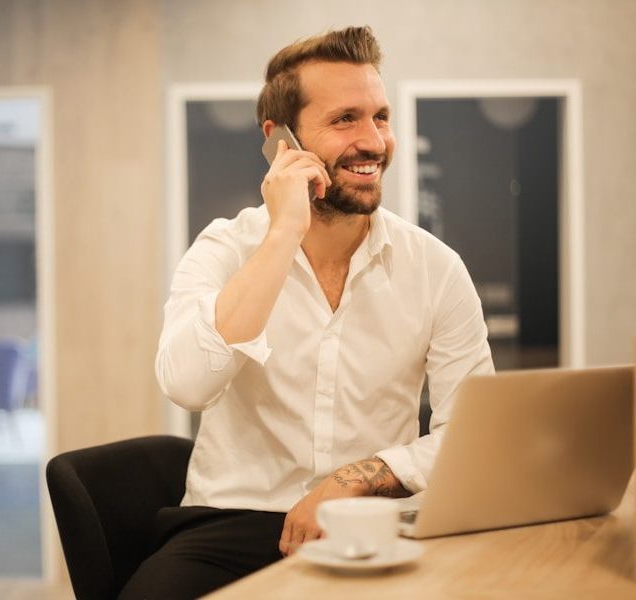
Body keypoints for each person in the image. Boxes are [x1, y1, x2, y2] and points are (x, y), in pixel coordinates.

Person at [127, 25, 494, 599]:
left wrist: (353, 480)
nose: (373, 141)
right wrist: (284, 232)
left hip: (375, 522)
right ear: (281, 142)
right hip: (231, 522)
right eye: (345, 119)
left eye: (380, 117)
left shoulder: (436, 269)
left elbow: (471, 435)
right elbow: (188, 385)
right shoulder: (225, 249)